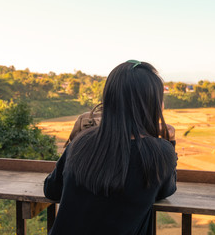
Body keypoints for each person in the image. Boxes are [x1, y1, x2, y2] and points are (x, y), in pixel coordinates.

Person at [43, 60, 177, 235]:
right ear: (152, 105)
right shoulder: (160, 152)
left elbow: (52, 190)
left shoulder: (80, 143)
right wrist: (169, 141)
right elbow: (166, 189)